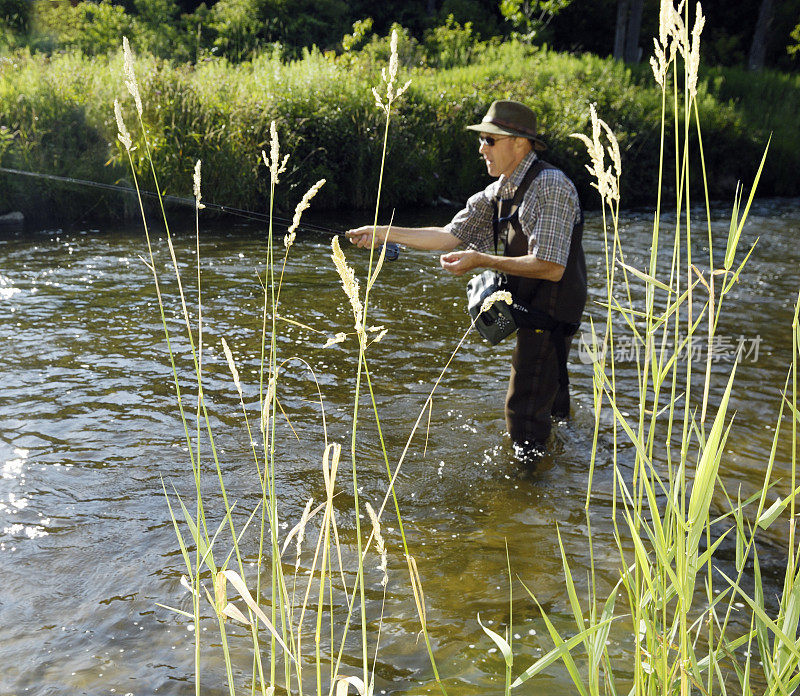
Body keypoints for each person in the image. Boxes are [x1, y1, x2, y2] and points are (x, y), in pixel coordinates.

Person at [346, 100, 586, 459]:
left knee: (522, 418)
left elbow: (551, 266)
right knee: (550, 410)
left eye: (489, 140)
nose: (481, 148)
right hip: (535, 317)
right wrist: (383, 234)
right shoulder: (498, 192)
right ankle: (565, 472)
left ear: (520, 143)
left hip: (547, 319)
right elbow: (447, 236)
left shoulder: (549, 185)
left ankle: (529, 496)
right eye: (482, 140)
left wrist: (481, 260)